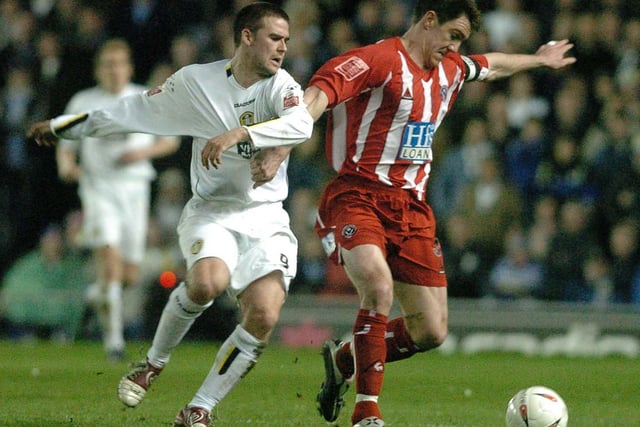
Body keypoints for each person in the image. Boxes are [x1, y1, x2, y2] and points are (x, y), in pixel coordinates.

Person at [28, 2, 313, 426]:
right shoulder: (197, 82)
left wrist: (240, 134)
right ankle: (152, 363)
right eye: (275, 38)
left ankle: (199, 409)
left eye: (287, 40)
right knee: (206, 283)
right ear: (247, 37)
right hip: (213, 211)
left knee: (265, 314)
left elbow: (302, 124)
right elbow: (130, 112)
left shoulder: (281, 86)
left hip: (268, 217)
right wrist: (64, 126)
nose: (282, 48)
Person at [300, 1, 576, 426]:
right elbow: (320, 94)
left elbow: (493, 65)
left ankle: (345, 358)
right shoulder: (379, 59)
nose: (454, 48)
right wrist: (282, 142)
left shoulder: (450, 70)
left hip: (412, 208)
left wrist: (538, 60)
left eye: (460, 41)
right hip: (360, 194)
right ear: (429, 20)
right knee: (376, 284)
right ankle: (366, 412)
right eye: (452, 36)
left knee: (431, 330)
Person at [55, 38, 180, 362]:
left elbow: (171, 141)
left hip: (135, 189)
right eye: (107, 64)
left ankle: (95, 294)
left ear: (129, 67)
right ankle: (114, 342)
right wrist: (67, 165)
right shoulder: (84, 100)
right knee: (109, 266)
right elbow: (66, 143)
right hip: (99, 189)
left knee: (130, 276)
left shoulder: (143, 98)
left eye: (119, 63)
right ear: (99, 69)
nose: (114, 70)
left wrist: (143, 151)